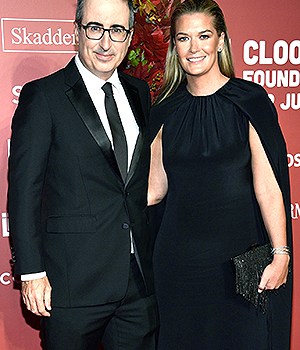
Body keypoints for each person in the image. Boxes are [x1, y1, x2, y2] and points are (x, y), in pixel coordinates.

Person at [8, 0, 158, 349]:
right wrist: (31, 273)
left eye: (117, 30)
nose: (106, 43)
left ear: (130, 36)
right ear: (76, 30)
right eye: (95, 28)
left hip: (137, 286)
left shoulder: (140, 93)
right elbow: (24, 191)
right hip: (73, 284)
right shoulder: (43, 96)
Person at [148, 0, 292, 349]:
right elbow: (152, 192)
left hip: (238, 267)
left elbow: (269, 187)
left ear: (220, 40)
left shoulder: (249, 101)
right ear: (174, 47)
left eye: (204, 36)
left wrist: (282, 251)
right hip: (178, 267)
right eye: (183, 38)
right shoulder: (164, 111)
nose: (194, 48)